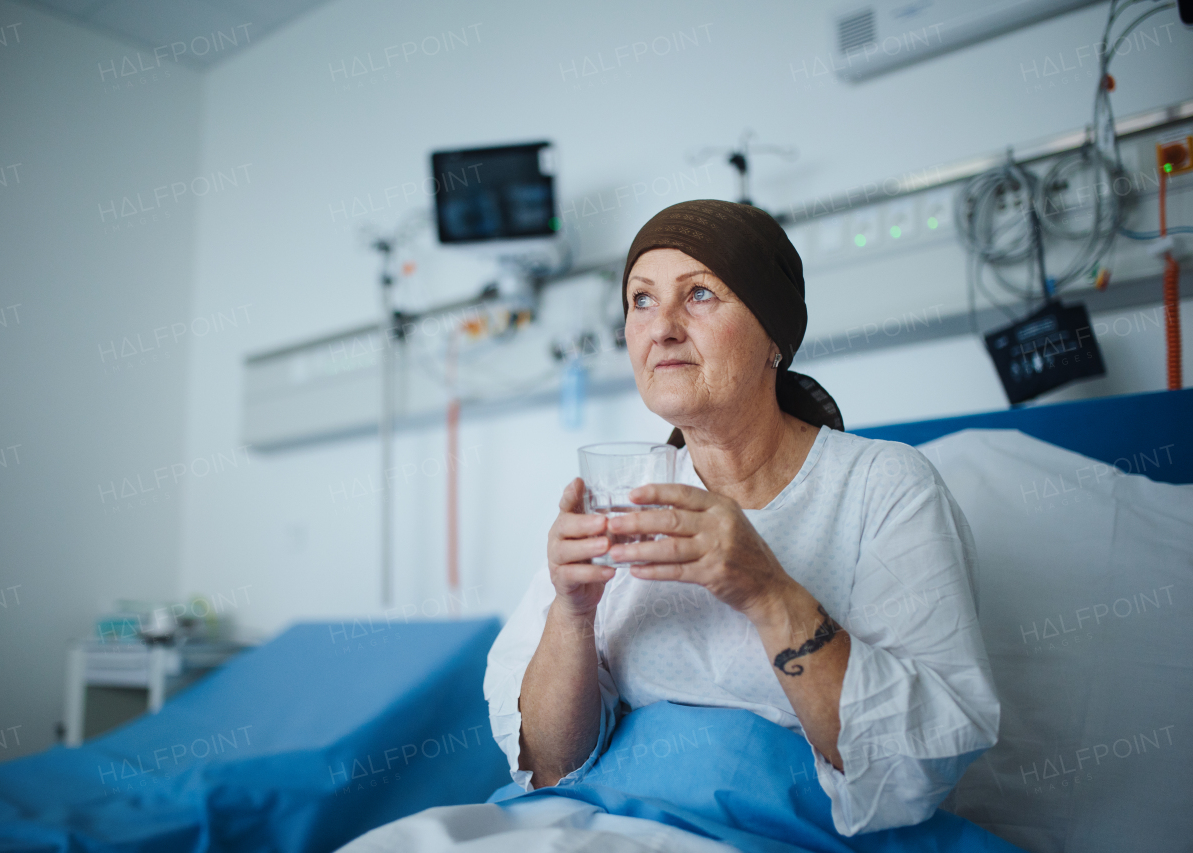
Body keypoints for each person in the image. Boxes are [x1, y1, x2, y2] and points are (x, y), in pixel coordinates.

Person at [339, 200, 1000, 850]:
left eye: (701, 294)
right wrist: (571, 610)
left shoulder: (885, 488)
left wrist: (768, 592)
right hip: (592, 816)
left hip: (777, 827)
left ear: (774, 334)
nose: (661, 327)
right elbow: (545, 765)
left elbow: (918, 764)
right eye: (642, 300)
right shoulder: (620, 493)